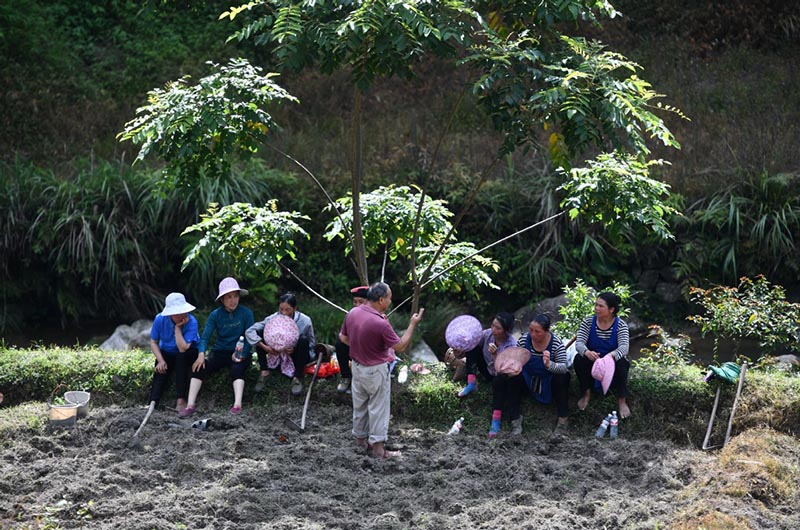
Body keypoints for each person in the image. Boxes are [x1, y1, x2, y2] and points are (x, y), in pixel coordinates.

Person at [339, 282, 424, 459]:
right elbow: (400, 346)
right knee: (378, 408)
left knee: (360, 405)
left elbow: (343, 337)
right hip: (375, 370)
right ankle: (378, 449)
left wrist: (359, 345)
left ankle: (360, 442)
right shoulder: (380, 323)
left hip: (356, 367)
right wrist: (412, 324)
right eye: (389, 298)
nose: (390, 301)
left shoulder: (353, 312)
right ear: (380, 299)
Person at [179, 278, 255, 418]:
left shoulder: (246, 313)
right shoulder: (215, 315)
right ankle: (190, 405)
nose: (233, 300)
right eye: (229, 297)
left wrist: (243, 353)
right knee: (199, 367)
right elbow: (205, 337)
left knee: (237, 368)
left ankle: (237, 405)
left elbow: (250, 336)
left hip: (239, 352)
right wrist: (201, 354)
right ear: (222, 299)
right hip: (220, 352)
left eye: (235, 296)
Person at [573, 291, 631, 418]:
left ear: (611, 309)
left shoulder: (621, 325)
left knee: (622, 363)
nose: (596, 308)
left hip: (612, 363)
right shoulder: (588, 322)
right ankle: (586, 393)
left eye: (600, 306)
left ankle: (622, 401)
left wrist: (610, 356)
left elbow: (624, 348)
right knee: (579, 359)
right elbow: (579, 343)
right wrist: (587, 352)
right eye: (596, 305)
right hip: (593, 361)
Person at [246, 293, 316, 396]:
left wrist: (295, 348)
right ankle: (264, 371)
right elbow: (250, 331)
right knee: (260, 333)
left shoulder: (305, 321)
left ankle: (297, 377)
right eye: (281, 309)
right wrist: (265, 347)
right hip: (275, 353)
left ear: (295, 308)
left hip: (295, 356)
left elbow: (311, 343)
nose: (284, 313)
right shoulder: (273, 318)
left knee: (303, 340)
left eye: (287, 310)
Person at [518, 314, 571, 434]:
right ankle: (515, 419)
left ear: (547, 331)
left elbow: (563, 367)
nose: (533, 335)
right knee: (511, 377)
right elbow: (516, 359)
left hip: (548, 380)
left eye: (537, 332)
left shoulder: (556, 343)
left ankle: (563, 419)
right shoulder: (523, 340)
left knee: (562, 377)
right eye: (531, 330)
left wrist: (549, 364)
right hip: (528, 378)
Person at [148, 292, 199, 413]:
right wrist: (160, 360)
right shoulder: (160, 319)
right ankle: (152, 402)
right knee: (160, 369)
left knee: (181, 359)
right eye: (177, 313)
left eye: (182, 311)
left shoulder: (192, 322)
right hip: (168, 351)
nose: (181, 315)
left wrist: (177, 328)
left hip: (187, 351)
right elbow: (153, 342)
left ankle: (181, 401)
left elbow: (183, 348)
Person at [455, 312, 517, 398]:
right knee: (473, 347)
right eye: (493, 326)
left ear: (506, 331)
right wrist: (462, 345)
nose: (493, 330)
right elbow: (474, 342)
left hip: (498, 377)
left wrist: (495, 354)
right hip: (486, 368)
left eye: (498, 328)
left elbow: (503, 371)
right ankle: (471, 383)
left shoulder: (511, 345)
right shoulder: (488, 334)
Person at [335, 285, 369, 393]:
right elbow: (343, 336)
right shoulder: (350, 315)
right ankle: (346, 377)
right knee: (339, 344)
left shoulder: (377, 317)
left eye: (361, 302)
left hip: (371, 354)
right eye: (355, 302)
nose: (357, 305)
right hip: (355, 349)